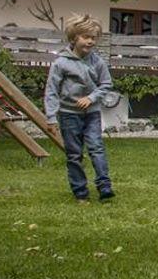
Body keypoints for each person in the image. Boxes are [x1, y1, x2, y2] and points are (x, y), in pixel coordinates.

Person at [44, 15, 117, 203]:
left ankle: (104, 186)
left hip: (91, 114)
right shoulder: (61, 63)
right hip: (68, 115)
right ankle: (80, 193)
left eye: (93, 38)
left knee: (96, 148)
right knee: (74, 155)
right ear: (74, 38)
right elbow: (52, 91)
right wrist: (51, 117)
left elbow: (106, 84)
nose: (90, 41)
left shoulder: (97, 62)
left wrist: (91, 98)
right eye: (86, 37)